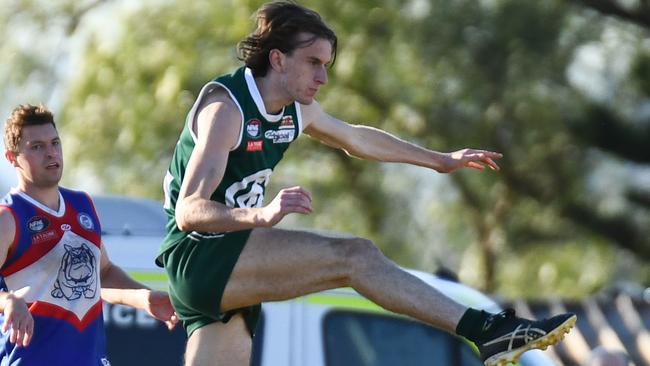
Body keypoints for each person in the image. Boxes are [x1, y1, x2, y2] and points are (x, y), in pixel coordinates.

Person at [157, 2, 576, 365]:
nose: (323, 77)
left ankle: (488, 331)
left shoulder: (295, 109)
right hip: (200, 257)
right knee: (356, 256)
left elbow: (356, 139)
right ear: (278, 59)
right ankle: (486, 330)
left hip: (222, 269)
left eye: (327, 65)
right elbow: (189, 211)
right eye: (314, 63)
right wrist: (261, 214)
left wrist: (439, 161)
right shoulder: (226, 110)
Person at [0, 104, 178, 365]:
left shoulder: (82, 204)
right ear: (12, 158)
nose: (51, 153)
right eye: (37, 147)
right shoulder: (8, 217)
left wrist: (145, 299)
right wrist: (8, 302)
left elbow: (103, 273)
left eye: (55, 143)